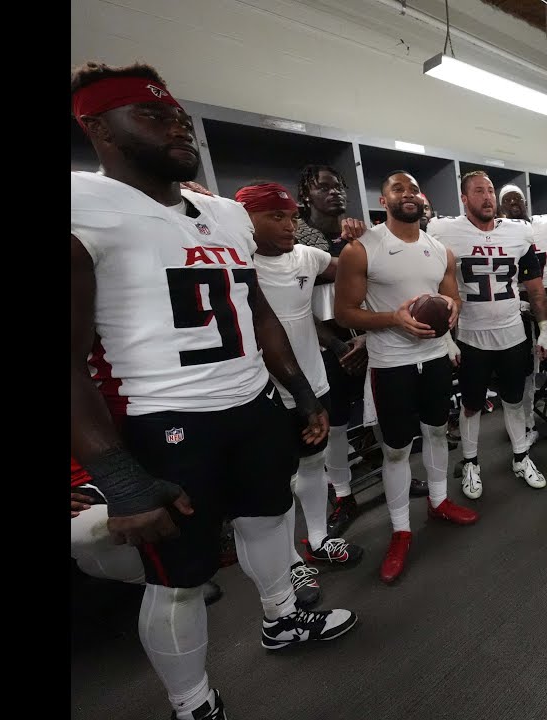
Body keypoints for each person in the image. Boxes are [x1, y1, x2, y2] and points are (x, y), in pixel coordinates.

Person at [70, 61, 356, 720]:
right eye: (151, 115)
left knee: (268, 517)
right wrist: (118, 476)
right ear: (96, 128)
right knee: (179, 579)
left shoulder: (226, 215)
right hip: (162, 421)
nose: (176, 127)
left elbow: (255, 313)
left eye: (176, 115)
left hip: (252, 405)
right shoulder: (84, 206)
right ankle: (192, 701)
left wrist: (301, 393)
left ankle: (282, 619)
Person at [335, 170, 478, 583]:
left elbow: (453, 297)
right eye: (398, 188)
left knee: (436, 432)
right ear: (384, 201)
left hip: (434, 358)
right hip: (391, 364)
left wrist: (452, 308)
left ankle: (438, 501)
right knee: (396, 450)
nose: (408, 194)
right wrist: (393, 319)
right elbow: (344, 312)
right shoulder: (362, 250)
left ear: (423, 198)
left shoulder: (441, 250)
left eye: (414, 189)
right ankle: (400, 530)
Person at [237, 181, 366, 570]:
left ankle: (317, 539)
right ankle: (290, 563)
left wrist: (359, 242)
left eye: (292, 217)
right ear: (244, 220)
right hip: (263, 392)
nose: (289, 225)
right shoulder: (235, 263)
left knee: (313, 464)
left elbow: (360, 272)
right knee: (276, 481)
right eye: (275, 216)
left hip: (313, 380)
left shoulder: (306, 258)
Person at [428, 171, 547, 498]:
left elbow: (536, 291)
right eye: (478, 191)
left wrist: (545, 330)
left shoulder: (518, 233)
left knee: (514, 401)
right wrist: (446, 338)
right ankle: (470, 462)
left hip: (512, 334)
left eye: (491, 191)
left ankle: (521, 457)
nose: (487, 197)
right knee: (471, 405)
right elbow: (434, 291)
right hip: (471, 337)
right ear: (464, 199)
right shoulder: (445, 233)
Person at [292, 165, 389, 540]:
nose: (335, 193)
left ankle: (395, 472)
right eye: (324, 186)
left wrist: (366, 336)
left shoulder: (362, 235)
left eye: (339, 187)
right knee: (335, 426)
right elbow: (296, 305)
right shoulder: (298, 241)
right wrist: (338, 344)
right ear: (306, 195)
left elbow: (379, 287)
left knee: (379, 412)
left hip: (369, 339)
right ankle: (344, 495)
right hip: (326, 346)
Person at [499, 184, 547, 454]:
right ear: (501, 208)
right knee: (526, 375)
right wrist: (521, 305)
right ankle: (529, 425)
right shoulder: (499, 235)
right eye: (507, 200)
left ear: (526, 201)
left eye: (517, 197)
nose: (513, 203)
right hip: (517, 312)